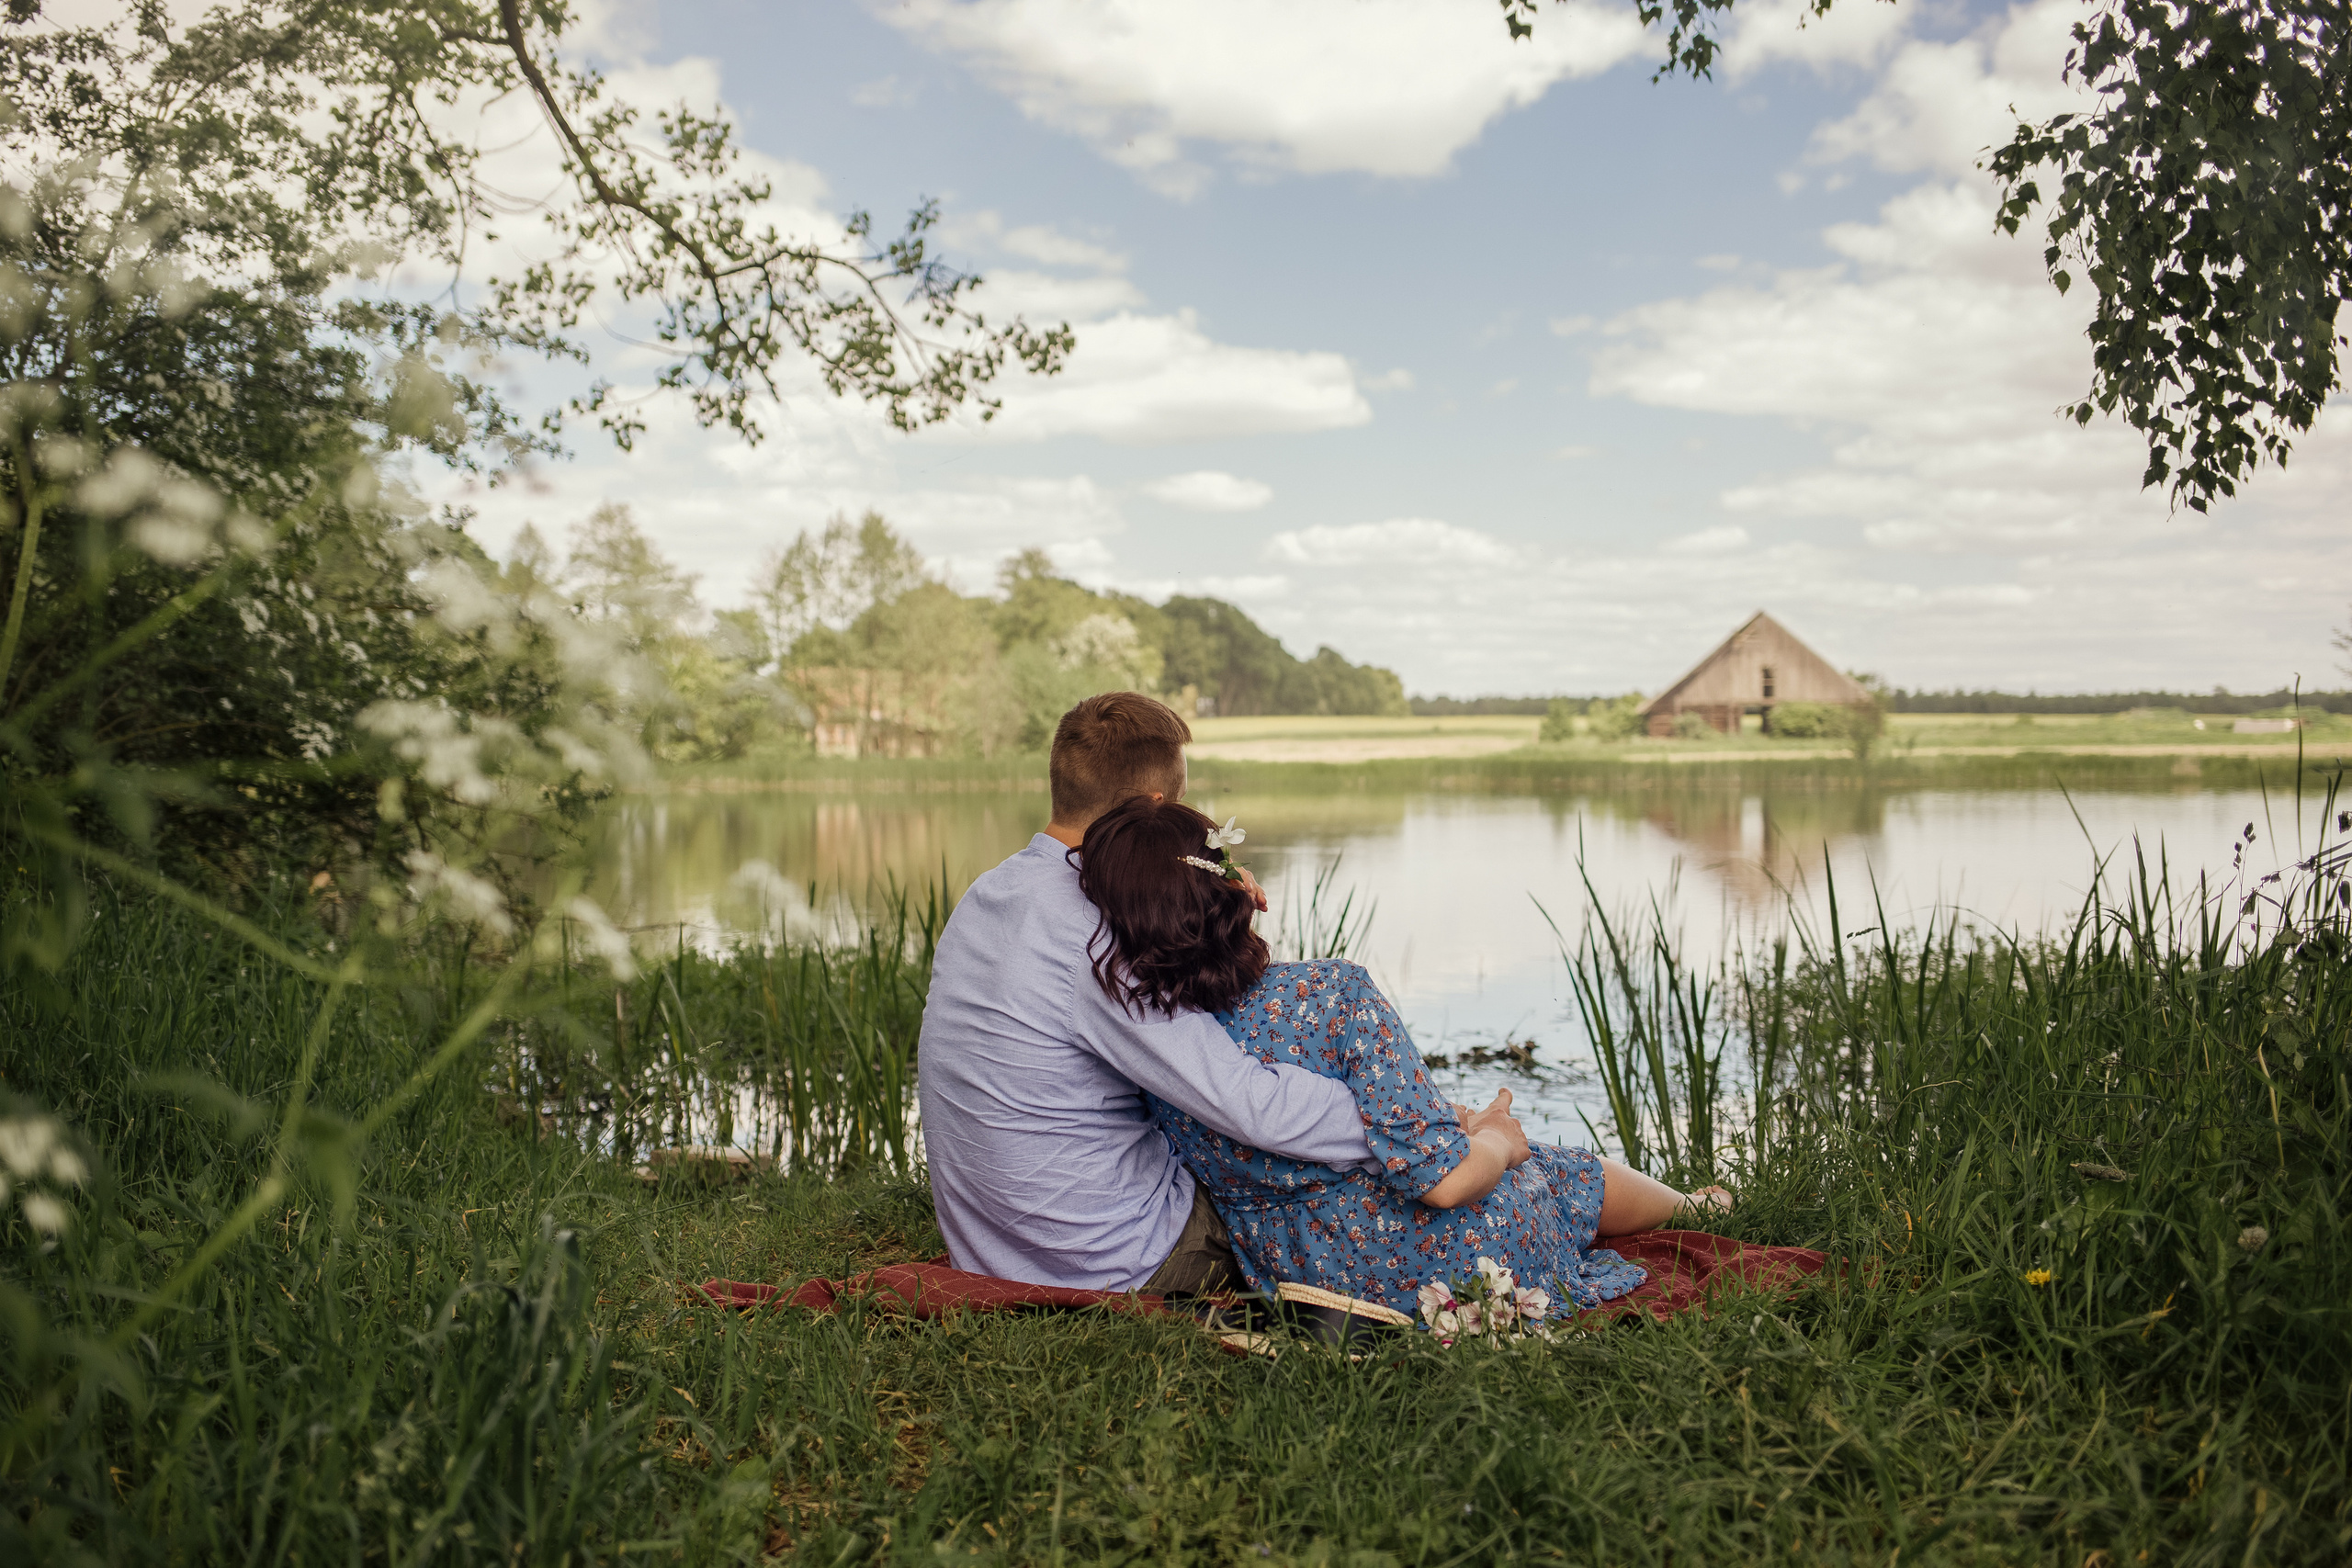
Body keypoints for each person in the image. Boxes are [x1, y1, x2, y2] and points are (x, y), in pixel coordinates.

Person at [916, 693, 1533, 1293]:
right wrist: (1421, 1126)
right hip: (1110, 1255)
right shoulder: (1095, 929)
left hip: (992, 1243)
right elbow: (1250, 1102)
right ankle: (1459, 1175)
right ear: (1153, 810)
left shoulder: (989, 893)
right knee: (1302, 1168)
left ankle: (1433, 1136)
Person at [1074, 795, 1732, 1322]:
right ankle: (1698, 1208)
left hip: (1297, 1274)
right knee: (1554, 1169)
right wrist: (1498, 1141)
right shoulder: (1330, 994)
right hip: (1435, 1273)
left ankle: (1689, 1200)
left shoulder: (1149, 1040)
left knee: (1491, 1147)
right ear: (1231, 892)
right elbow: (1444, 1182)